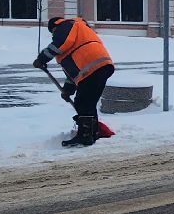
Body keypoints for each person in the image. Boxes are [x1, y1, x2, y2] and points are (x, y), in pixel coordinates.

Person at [34, 15, 115, 148]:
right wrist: (68, 90)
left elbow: (60, 43)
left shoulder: (65, 26)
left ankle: (85, 136)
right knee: (88, 102)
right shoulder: (77, 33)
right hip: (100, 66)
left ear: (54, 27)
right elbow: (74, 72)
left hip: (92, 65)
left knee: (83, 102)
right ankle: (92, 131)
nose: (53, 36)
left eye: (53, 32)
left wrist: (42, 58)